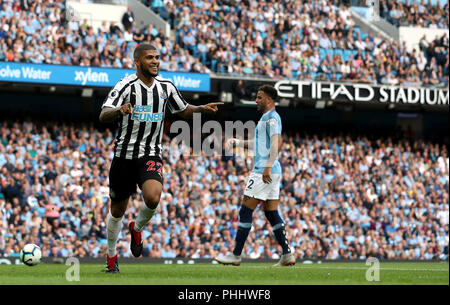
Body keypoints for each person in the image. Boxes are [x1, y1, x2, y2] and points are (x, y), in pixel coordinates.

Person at [99, 44, 223, 273]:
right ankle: (111, 256)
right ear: (137, 62)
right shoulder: (125, 86)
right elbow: (103, 113)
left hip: (151, 152)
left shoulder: (166, 87)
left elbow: (183, 110)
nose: (155, 61)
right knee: (117, 211)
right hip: (124, 156)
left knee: (153, 197)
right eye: (150, 58)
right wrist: (119, 111)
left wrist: (202, 109)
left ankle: (136, 228)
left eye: (157, 57)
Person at [214, 85, 295, 267]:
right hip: (272, 169)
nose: (256, 100)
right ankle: (287, 254)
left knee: (245, 210)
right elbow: (260, 144)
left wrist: (266, 165)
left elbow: (277, 142)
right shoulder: (266, 118)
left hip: (263, 170)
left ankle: (235, 255)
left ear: (268, 99)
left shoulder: (272, 118)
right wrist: (239, 142)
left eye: (259, 97)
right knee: (271, 212)